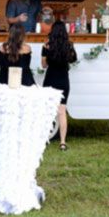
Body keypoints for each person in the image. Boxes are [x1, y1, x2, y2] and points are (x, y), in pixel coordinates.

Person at [41, 20, 77, 151]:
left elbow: (44, 65)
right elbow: (73, 59)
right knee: (62, 112)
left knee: (47, 111)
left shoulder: (47, 45)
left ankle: (43, 138)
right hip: (63, 80)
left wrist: (46, 52)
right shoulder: (69, 45)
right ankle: (62, 142)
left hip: (50, 79)